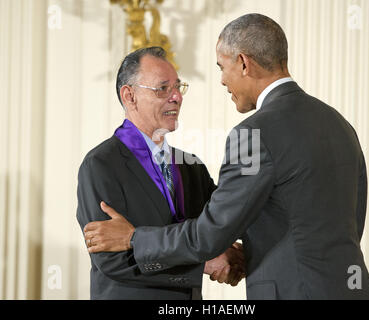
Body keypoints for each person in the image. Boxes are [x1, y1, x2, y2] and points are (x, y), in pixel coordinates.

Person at [84, 14, 369, 299]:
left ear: (243, 63)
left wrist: (133, 238)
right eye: (163, 88)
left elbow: (212, 231)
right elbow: (352, 219)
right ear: (129, 95)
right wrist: (220, 257)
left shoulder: (252, 134)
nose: (223, 80)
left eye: (221, 67)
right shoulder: (339, 125)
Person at [77, 47, 245, 300]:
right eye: (163, 88)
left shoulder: (191, 166)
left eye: (178, 87)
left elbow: (217, 227)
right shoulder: (100, 164)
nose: (176, 96)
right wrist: (205, 264)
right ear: (129, 96)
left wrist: (235, 254)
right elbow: (113, 261)